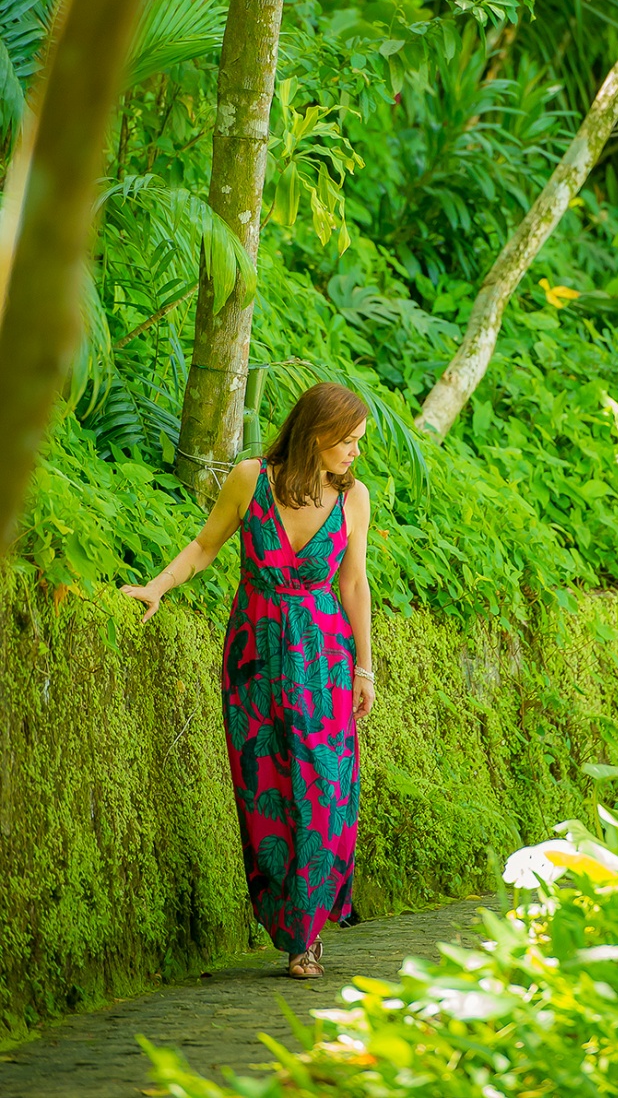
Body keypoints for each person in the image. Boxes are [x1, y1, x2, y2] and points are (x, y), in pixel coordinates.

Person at [121, 381, 374, 980]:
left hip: (324, 667)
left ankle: (308, 933)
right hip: (254, 663)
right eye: (348, 442)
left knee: (323, 787)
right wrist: (156, 587)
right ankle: (291, 928)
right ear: (316, 432)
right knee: (266, 796)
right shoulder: (249, 478)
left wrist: (365, 667)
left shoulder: (353, 497)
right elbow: (205, 546)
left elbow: (354, 585)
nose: (354, 454)